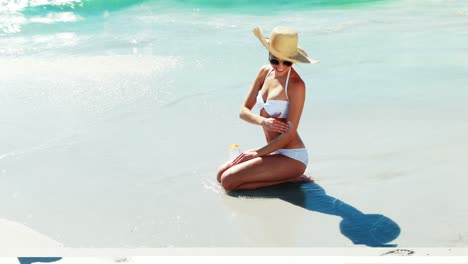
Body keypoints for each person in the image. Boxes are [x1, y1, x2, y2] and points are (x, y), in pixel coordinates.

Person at [217, 26, 319, 191]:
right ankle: (285, 176)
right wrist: (263, 121)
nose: (280, 66)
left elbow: (290, 133)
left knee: (228, 181)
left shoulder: (296, 85)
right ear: (269, 56)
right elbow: (243, 111)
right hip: (273, 151)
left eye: (287, 62)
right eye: (275, 60)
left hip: (292, 156)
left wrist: (256, 154)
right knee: (220, 174)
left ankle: (291, 177)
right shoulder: (264, 72)